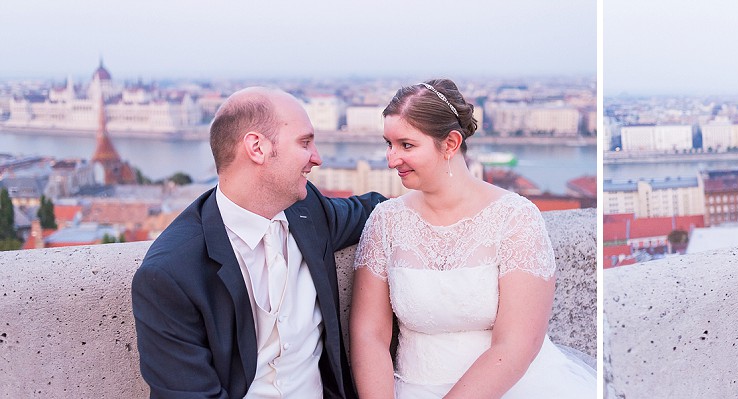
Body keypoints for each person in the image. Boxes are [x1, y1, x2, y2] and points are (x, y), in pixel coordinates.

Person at [132, 87, 386, 398]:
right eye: (305, 143)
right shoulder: (170, 274)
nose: (316, 158)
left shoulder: (310, 212)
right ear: (257, 147)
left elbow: (377, 211)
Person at [349, 79, 595, 399]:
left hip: (512, 387)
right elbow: (369, 334)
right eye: (389, 144)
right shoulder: (385, 221)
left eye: (406, 145)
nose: (391, 159)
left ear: (450, 143)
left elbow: (517, 343)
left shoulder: (515, 218)